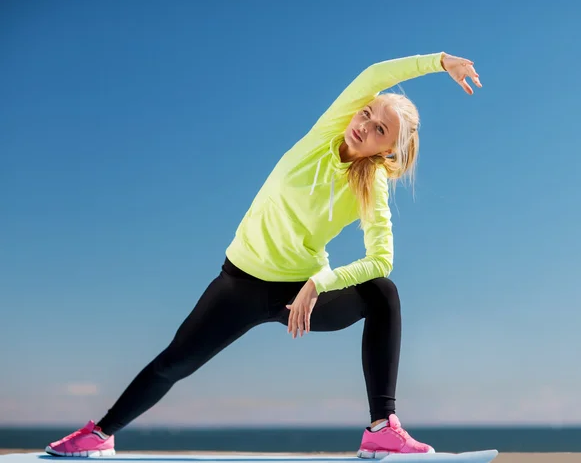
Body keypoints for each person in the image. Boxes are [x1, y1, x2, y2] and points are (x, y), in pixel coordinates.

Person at [45, 51, 482, 458]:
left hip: (300, 294)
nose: (365, 125)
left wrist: (319, 283)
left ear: (387, 151)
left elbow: (381, 260)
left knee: (383, 293)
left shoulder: (372, 186)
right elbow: (374, 76)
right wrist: (441, 62)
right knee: (174, 362)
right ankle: (99, 435)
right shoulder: (327, 132)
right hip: (241, 282)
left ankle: (382, 428)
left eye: (379, 130)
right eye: (367, 113)